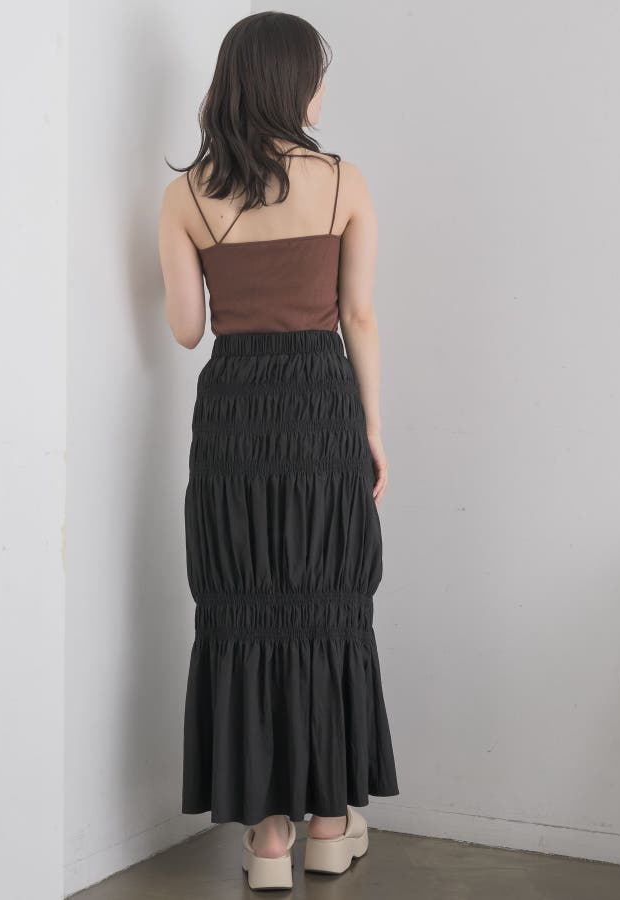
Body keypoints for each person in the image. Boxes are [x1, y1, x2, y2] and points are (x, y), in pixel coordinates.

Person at [158, 11, 399, 890]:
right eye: (316, 73)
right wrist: (372, 430)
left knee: (243, 606)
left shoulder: (186, 196)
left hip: (233, 412)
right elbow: (359, 315)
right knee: (328, 604)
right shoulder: (342, 183)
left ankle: (267, 841)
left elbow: (187, 330)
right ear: (292, 84)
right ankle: (330, 825)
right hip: (319, 405)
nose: (321, 89)